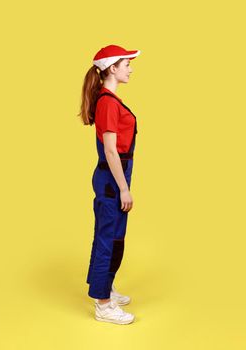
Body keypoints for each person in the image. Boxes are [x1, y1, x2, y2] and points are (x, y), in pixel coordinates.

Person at [77, 45, 141, 325]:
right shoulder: (107, 103)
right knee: (107, 239)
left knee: (113, 236)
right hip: (112, 178)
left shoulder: (109, 100)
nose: (130, 68)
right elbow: (112, 151)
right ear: (112, 68)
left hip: (115, 176)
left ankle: (104, 287)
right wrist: (124, 189)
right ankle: (103, 305)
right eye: (126, 64)